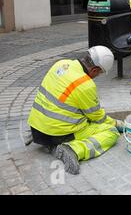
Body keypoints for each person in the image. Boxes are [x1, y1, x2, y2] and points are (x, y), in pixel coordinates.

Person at [27, 46, 122, 175]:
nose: (97, 76)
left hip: (36, 128)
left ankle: (44, 136)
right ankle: (74, 150)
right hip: (56, 135)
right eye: (99, 73)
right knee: (111, 132)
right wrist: (117, 124)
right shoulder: (85, 84)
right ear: (94, 70)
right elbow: (97, 118)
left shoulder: (61, 64)